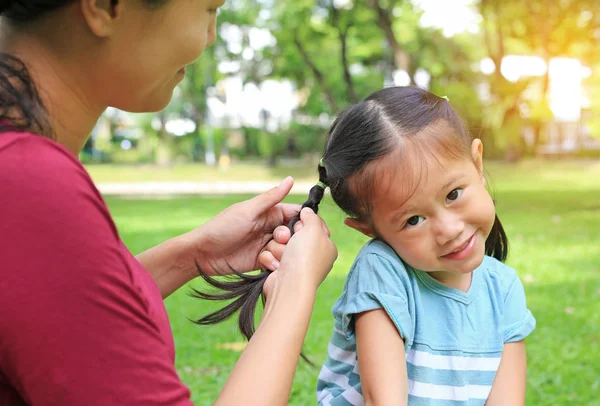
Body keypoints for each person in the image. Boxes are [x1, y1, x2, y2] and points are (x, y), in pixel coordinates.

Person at [0, 0, 338, 405]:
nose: (210, 36)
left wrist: (193, 255)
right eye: (209, 10)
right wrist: (294, 288)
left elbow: (59, 313)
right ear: (106, 7)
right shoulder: (26, 184)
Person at [294, 86, 536, 405]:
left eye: (453, 194)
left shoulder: (503, 291)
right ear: (370, 230)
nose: (449, 230)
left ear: (477, 163)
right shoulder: (383, 271)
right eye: (413, 220)